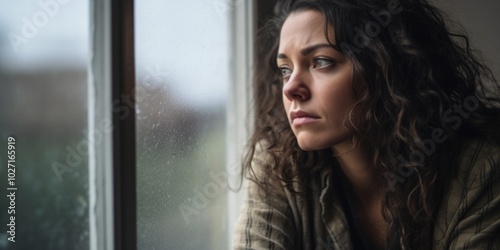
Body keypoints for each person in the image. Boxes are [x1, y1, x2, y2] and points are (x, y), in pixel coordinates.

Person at [232, 0, 500, 249]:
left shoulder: (480, 171)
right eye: (285, 70)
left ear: (385, 67)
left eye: (321, 62)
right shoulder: (280, 165)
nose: (291, 89)